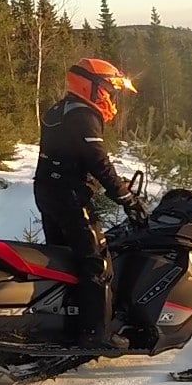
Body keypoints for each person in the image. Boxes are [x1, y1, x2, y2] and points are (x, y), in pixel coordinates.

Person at [34, 58, 145, 348]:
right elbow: (98, 161)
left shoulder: (60, 108)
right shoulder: (83, 114)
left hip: (48, 190)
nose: (110, 96)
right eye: (108, 89)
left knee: (63, 259)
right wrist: (125, 197)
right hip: (69, 196)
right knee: (95, 262)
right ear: (91, 86)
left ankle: (64, 321)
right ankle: (95, 334)